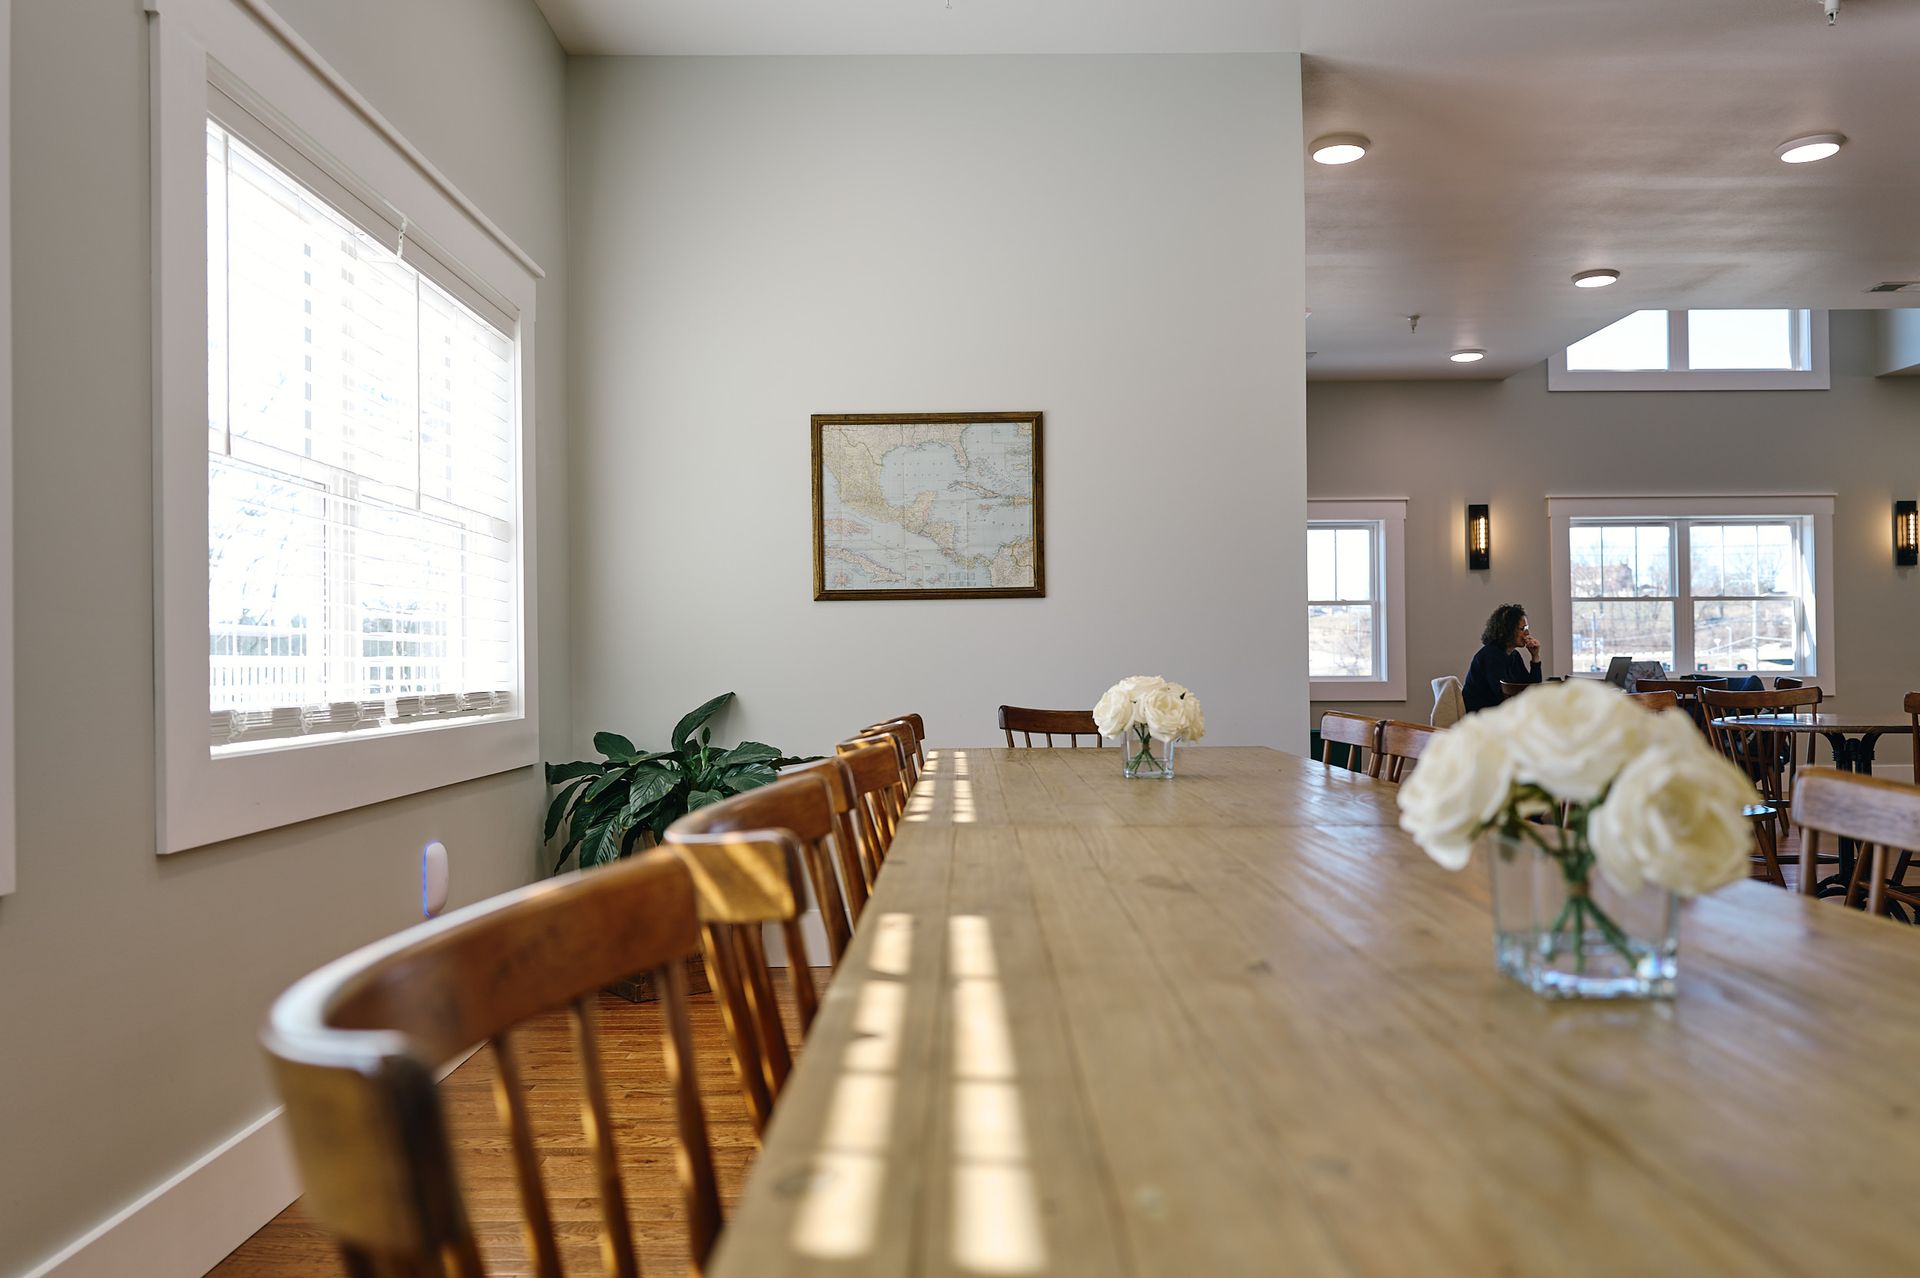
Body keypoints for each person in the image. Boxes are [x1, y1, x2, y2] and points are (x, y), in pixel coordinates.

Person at [1462, 603, 1541, 714]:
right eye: (1522, 629)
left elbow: (1531, 689)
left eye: (1527, 628)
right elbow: (1502, 695)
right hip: (1484, 716)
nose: (1527, 633)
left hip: (1502, 713)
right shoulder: (1490, 656)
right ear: (1507, 630)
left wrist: (1535, 657)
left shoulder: (1514, 655)